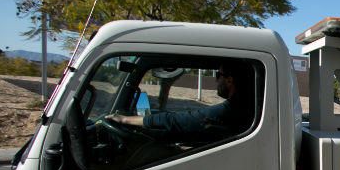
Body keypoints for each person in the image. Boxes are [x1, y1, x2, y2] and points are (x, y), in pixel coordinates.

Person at [108, 61, 252, 138]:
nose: (216, 81)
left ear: (229, 80)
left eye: (217, 75)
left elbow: (180, 120)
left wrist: (125, 120)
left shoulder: (233, 110)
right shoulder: (247, 107)